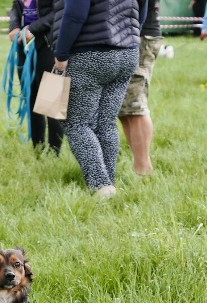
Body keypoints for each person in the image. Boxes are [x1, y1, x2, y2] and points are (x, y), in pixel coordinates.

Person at [52, 0, 143, 198]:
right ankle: (109, 182)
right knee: (106, 122)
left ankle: (101, 185)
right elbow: (142, 11)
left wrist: (61, 52)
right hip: (128, 52)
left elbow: (76, 14)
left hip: (89, 52)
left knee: (77, 123)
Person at [9, 0, 64, 154]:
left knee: (52, 103)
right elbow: (15, 9)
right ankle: (38, 150)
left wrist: (33, 29)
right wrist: (14, 27)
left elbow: (60, 11)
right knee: (31, 101)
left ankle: (54, 154)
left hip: (49, 45)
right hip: (24, 48)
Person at [119, 0, 162, 176]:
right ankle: (140, 164)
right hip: (129, 35)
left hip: (142, 36)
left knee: (135, 104)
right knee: (123, 108)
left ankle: (144, 169)